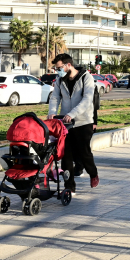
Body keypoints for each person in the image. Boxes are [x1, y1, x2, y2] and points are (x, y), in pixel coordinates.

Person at [48, 54, 99, 192]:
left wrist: (72, 114)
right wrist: (52, 112)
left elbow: (87, 100)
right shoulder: (60, 80)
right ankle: (69, 186)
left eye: (59, 68)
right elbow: (55, 98)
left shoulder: (86, 77)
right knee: (66, 156)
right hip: (65, 123)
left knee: (83, 153)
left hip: (83, 121)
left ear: (68, 65)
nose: (58, 71)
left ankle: (93, 173)